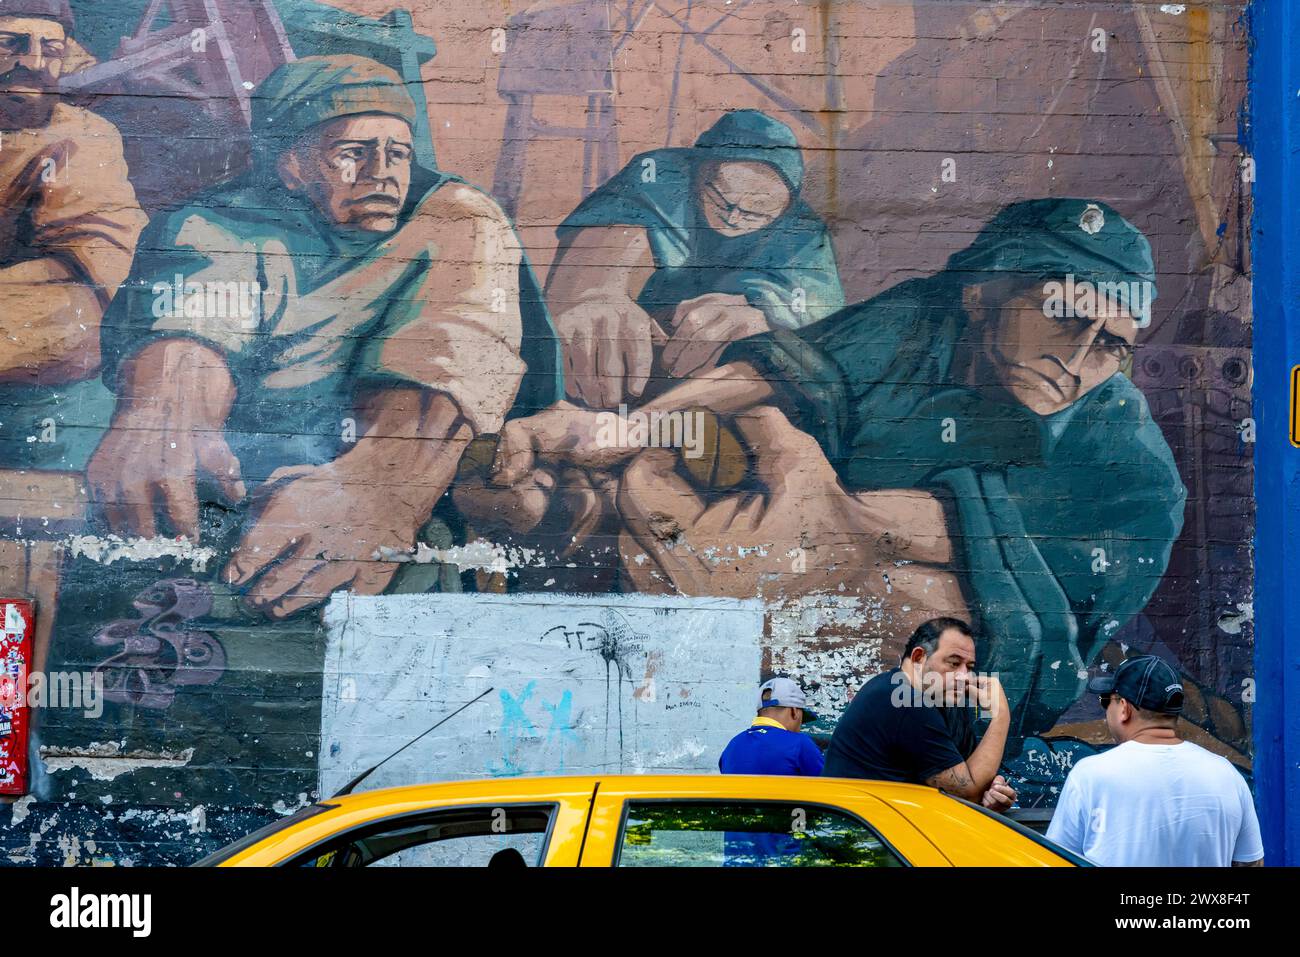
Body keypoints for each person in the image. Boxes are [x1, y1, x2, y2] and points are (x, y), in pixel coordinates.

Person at [486, 198, 1186, 743]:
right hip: (794, 563)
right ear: (982, 295)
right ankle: (579, 519)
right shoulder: (923, 317)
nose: (1082, 358)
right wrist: (625, 429)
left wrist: (828, 531)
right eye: (1066, 317)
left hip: (986, 656)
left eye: (1111, 345)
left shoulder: (1132, 465)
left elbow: (992, 558)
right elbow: (780, 372)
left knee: (896, 599)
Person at [86, 55, 561, 619]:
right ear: (290, 165)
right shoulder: (215, 222)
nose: (382, 170)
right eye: (352, 152)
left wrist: (377, 483)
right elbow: (191, 323)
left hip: (377, 511)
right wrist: (163, 411)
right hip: (234, 498)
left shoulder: (457, 219)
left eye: (399, 153)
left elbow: (455, 339)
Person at [0, 0, 147, 675]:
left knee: (20, 580)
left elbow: (87, 284)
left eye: (47, 48)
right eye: (11, 43)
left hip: (42, 403)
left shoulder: (82, 139)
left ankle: (8, 742)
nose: (31, 62)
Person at [547, 109, 844, 409]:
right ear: (700, 169)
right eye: (721, 198)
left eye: (756, 213)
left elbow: (820, 308)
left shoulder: (805, 232)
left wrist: (767, 316)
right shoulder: (660, 172)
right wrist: (594, 290)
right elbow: (619, 224)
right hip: (625, 360)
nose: (734, 218)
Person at [1045, 655, 1264, 867]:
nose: (1105, 711)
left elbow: (1055, 860)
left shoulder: (1090, 776)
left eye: (1106, 701)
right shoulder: (1228, 775)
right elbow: (1251, 862)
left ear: (1124, 708)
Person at [821, 618, 1016, 810]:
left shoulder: (906, 691)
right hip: (863, 835)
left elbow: (970, 785)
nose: (964, 676)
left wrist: (993, 790)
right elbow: (968, 791)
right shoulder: (906, 702)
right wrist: (1000, 715)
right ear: (918, 658)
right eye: (954, 663)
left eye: (970, 667)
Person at [719, 677, 824, 776]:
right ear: (794, 712)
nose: (799, 727)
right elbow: (827, 786)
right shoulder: (800, 743)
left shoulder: (732, 746)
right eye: (801, 720)